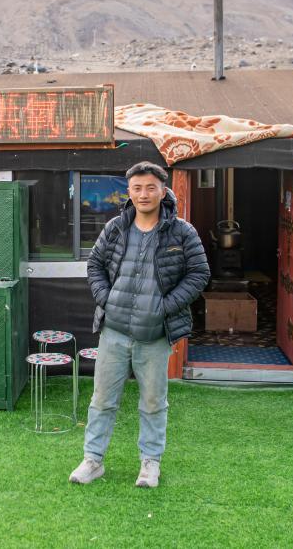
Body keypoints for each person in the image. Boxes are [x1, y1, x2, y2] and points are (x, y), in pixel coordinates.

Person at [70, 161, 210, 488]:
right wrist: (106, 299)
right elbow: (95, 265)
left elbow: (199, 274)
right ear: (129, 192)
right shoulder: (115, 228)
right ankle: (92, 460)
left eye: (150, 187)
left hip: (155, 335)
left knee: (153, 403)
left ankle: (150, 463)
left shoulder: (182, 232)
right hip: (114, 332)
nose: (143, 194)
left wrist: (165, 307)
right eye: (137, 188)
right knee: (102, 400)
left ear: (163, 191)